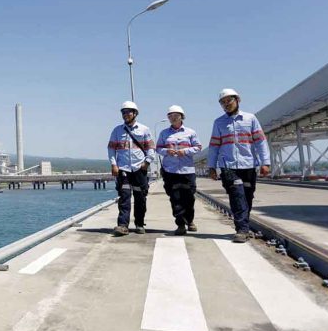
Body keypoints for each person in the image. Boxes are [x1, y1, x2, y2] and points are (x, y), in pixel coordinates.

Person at [208, 88, 271, 243]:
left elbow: (260, 141)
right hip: (228, 166)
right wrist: (211, 166)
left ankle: (244, 225)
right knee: (237, 195)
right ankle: (241, 229)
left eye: (229, 100)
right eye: (223, 102)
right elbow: (214, 145)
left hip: (248, 164)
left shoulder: (250, 119)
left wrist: (265, 162)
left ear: (237, 100)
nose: (226, 104)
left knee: (247, 197)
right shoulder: (219, 122)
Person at [108, 101, 155, 235]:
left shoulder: (144, 130)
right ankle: (122, 225)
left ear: (135, 113)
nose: (125, 114)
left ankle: (139, 223)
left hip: (139, 169)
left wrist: (147, 162)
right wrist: (113, 164)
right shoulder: (117, 130)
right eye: (123, 112)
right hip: (123, 169)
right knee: (124, 197)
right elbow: (111, 149)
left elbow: (151, 148)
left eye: (128, 112)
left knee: (140, 197)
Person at [156, 105, 202, 235]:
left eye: (175, 115)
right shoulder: (164, 133)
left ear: (182, 116)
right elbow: (158, 148)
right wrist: (166, 151)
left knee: (189, 198)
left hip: (187, 170)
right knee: (175, 198)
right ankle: (180, 224)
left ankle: (190, 220)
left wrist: (185, 151)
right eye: (170, 116)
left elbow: (198, 147)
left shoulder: (190, 132)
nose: (172, 118)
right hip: (170, 170)